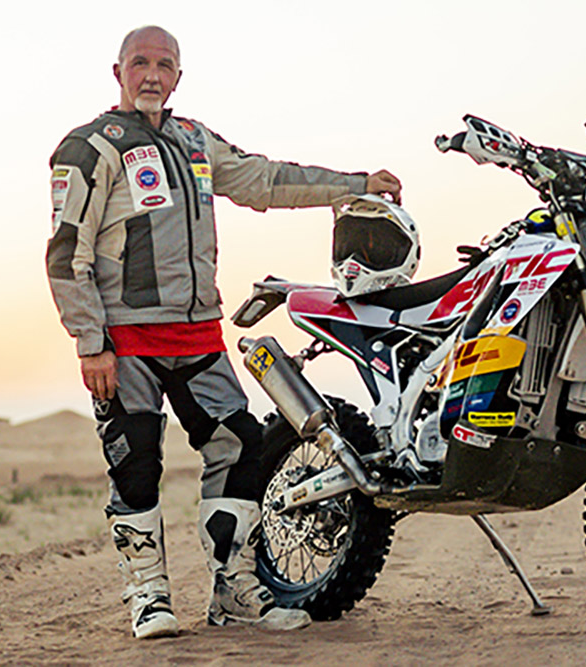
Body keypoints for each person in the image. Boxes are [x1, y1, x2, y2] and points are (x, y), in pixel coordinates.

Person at [45, 25, 401, 639]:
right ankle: (148, 597)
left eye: (164, 65)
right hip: (126, 339)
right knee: (136, 463)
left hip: (198, 336)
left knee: (239, 446)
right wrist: (90, 341)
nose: (152, 75)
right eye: (140, 63)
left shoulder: (195, 140)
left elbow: (265, 179)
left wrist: (355, 186)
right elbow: (65, 251)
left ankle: (231, 588)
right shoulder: (89, 147)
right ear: (118, 72)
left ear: (178, 76)